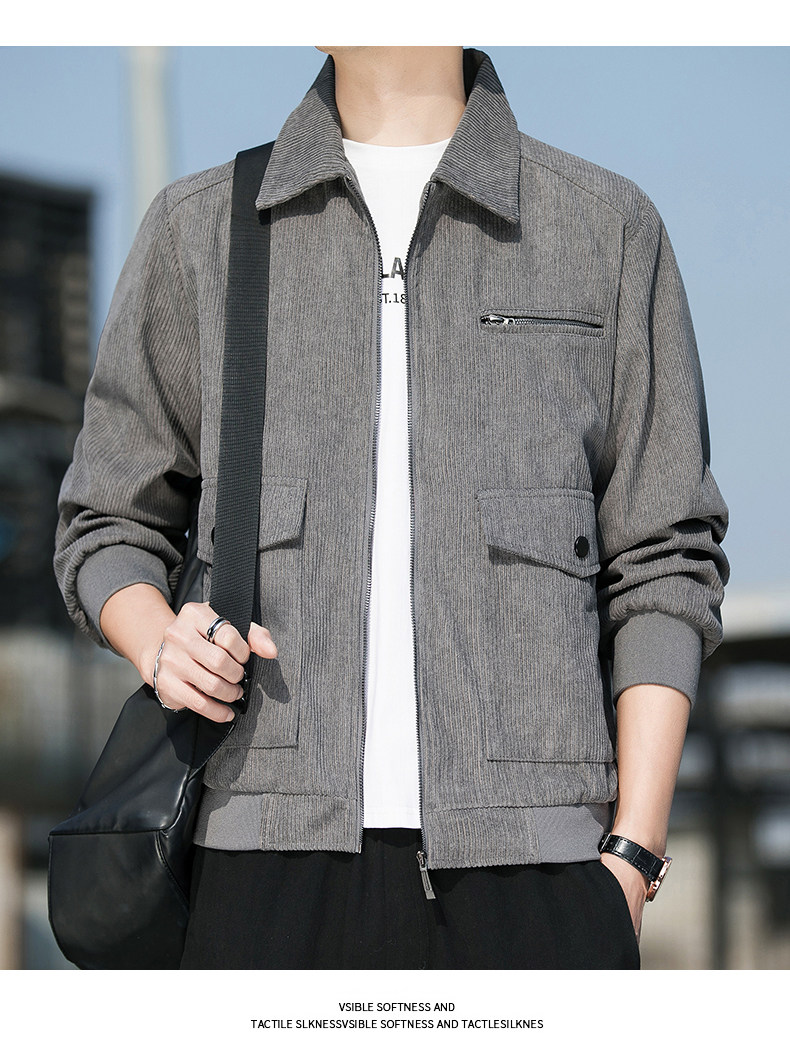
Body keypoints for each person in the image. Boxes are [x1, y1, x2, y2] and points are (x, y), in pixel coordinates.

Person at [54, 46, 729, 969]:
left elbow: (665, 558)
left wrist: (632, 856)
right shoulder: (198, 229)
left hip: (544, 872)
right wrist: (158, 641)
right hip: (260, 861)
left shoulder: (606, 229)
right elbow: (107, 519)